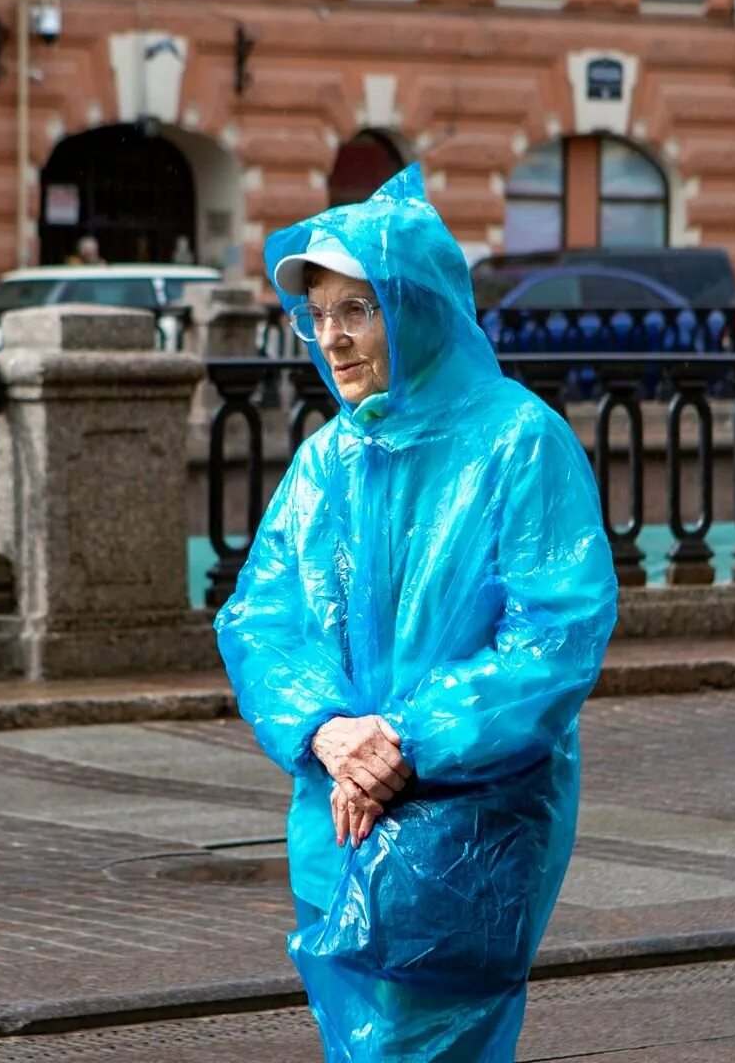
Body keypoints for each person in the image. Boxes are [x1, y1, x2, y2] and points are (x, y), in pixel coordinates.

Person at [216, 165, 618, 1061]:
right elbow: (262, 619)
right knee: (360, 1039)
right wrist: (325, 732)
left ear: (419, 306)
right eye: (319, 315)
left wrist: (402, 742)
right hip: (339, 807)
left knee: (426, 1039)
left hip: (470, 811)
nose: (334, 338)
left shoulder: (519, 443)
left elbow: (555, 637)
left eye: (358, 309)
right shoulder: (327, 462)